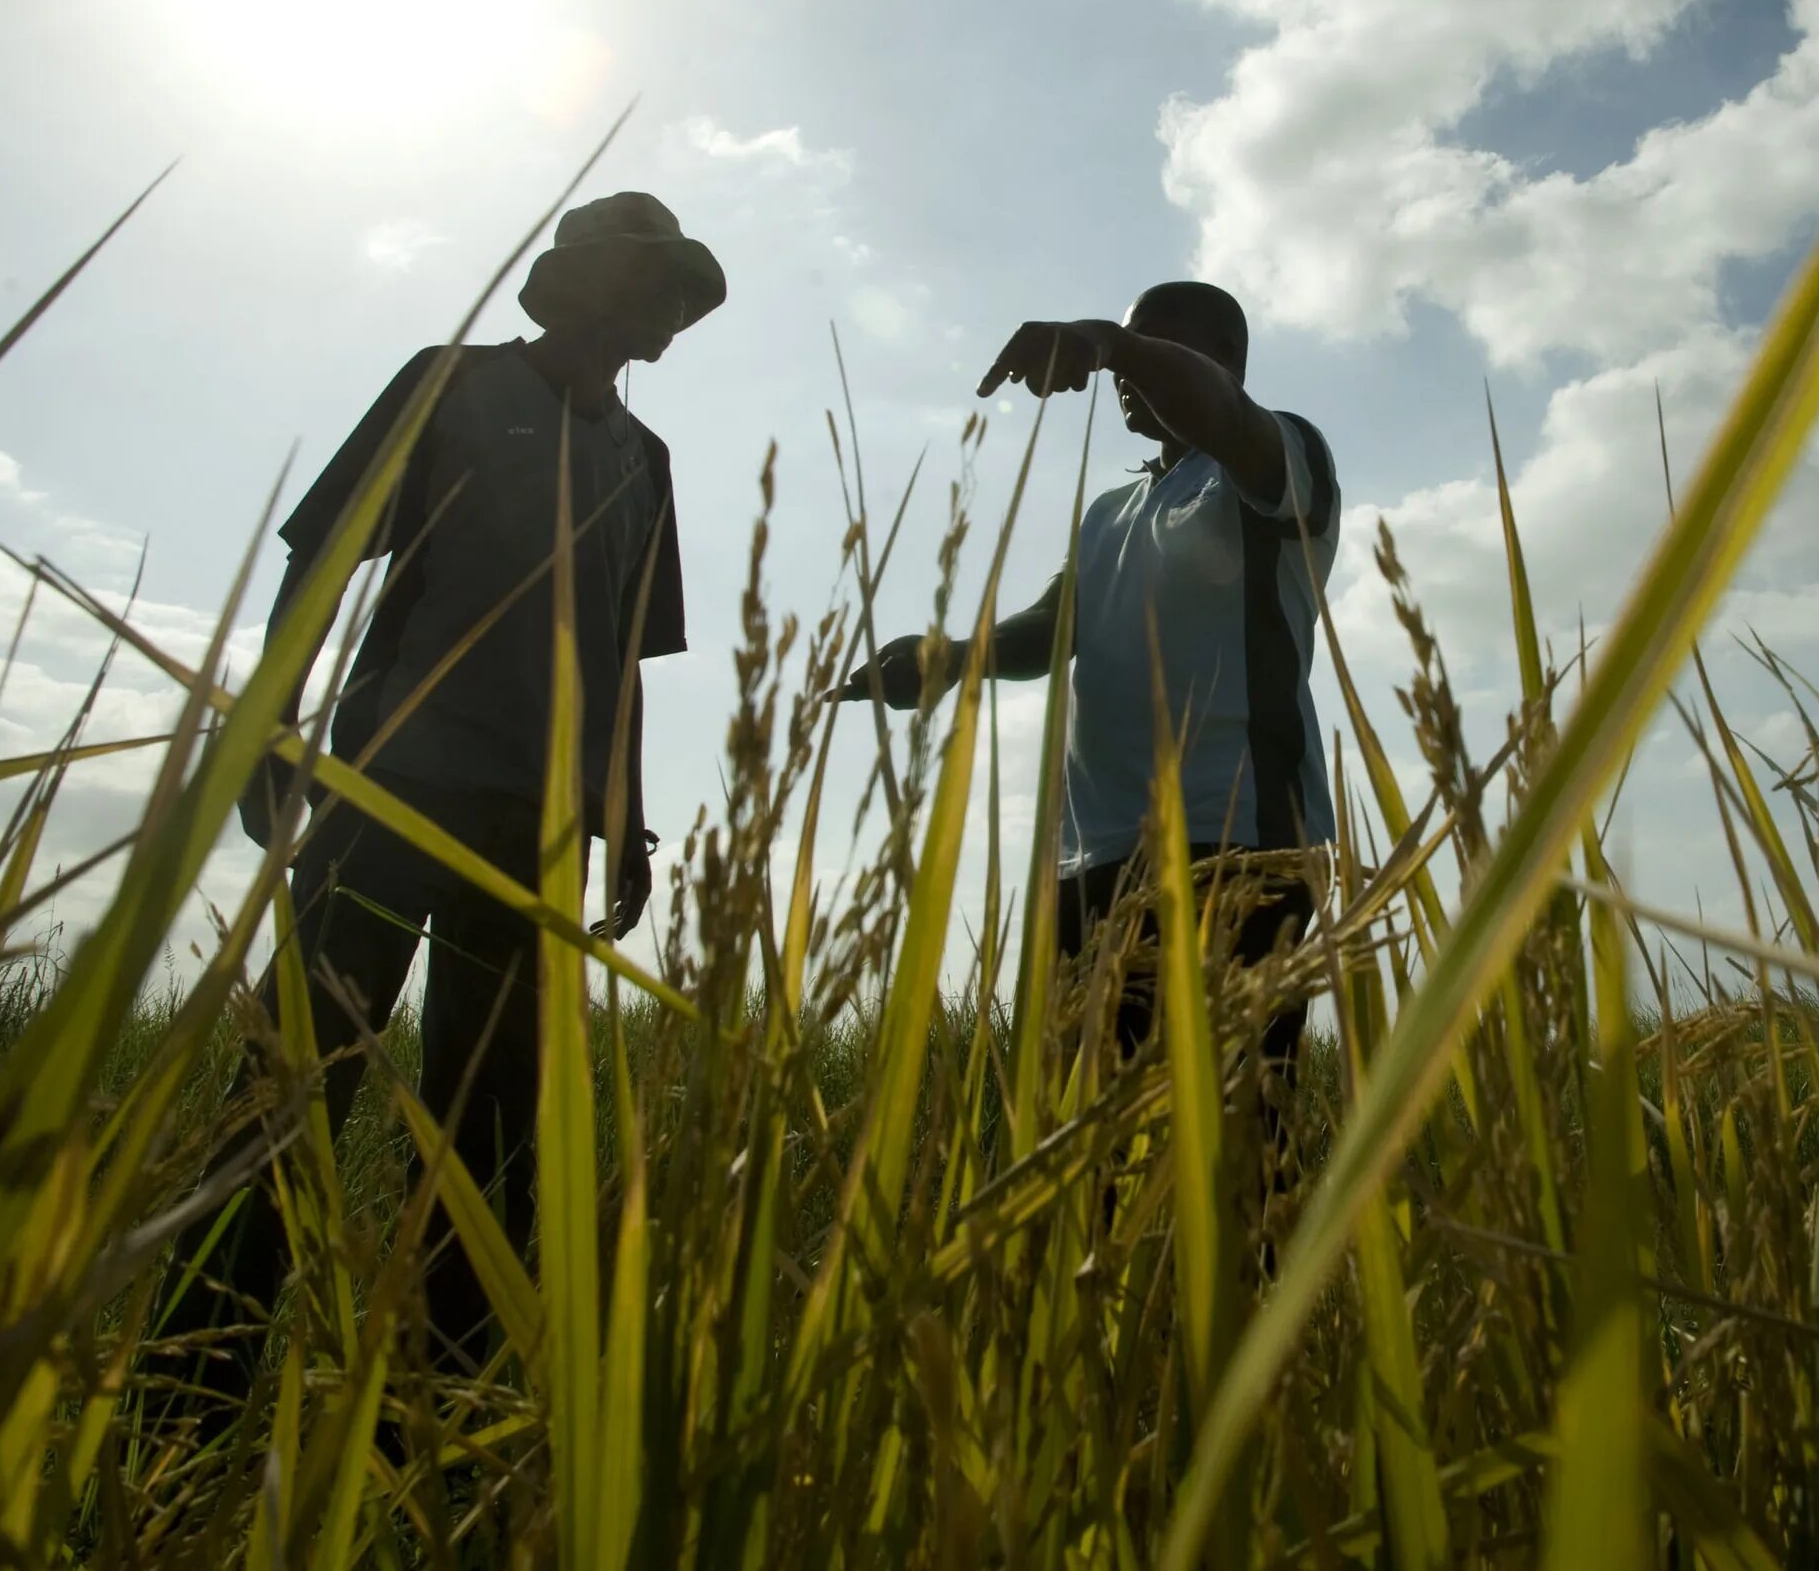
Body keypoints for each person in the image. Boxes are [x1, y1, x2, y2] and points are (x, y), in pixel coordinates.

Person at [156, 190, 722, 1413]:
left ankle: (445, 1408)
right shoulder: (451, 383)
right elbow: (326, 551)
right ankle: (185, 1389)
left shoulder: (646, 460)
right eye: (654, 277)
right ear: (584, 282)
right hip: (391, 786)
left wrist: (623, 816)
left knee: (496, 1125)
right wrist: (269, 718)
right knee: (297, 1080)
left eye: (681, 288)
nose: (672, 306)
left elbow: (622, 655)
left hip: (538, 826)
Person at [834, 281, 1339, 1177]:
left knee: (1237, 1143)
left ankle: (1264, 1314)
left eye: (1158, 348)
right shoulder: (1110, 513)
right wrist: (953, 657)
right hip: (1091, 859)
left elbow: (1218, 410)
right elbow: (1050, 632)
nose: (1124, 372)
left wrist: (1106, 338)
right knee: (1085, 1146)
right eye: (1125, 350)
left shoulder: (1278, 459)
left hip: (1237, 845)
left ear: (1221, 359)